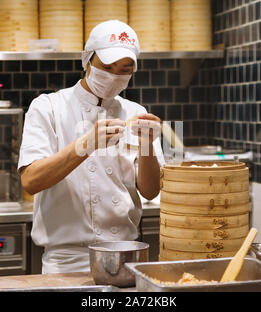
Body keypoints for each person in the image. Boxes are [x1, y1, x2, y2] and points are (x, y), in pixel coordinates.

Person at [17, 20, 165, 273]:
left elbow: (150, 192)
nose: (114, 76)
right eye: (107, 67)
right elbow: (31, 180)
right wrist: (86, 145)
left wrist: (147, 146)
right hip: (66, 262)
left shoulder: (136, 113)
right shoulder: (49, 107)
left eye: (124, 69)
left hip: (125, 255)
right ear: (87, 60)